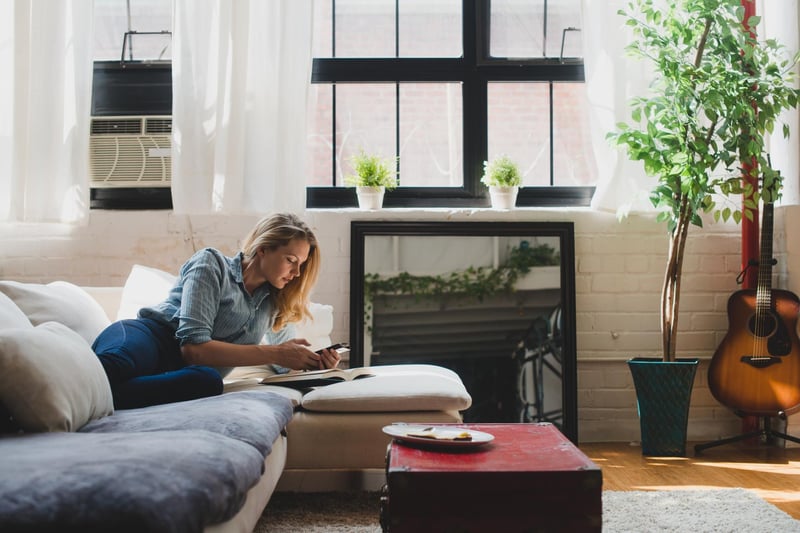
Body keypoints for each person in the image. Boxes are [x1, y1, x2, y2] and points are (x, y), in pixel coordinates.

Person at [92, 212, 341, 409]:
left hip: (181, 373)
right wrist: (276, 353)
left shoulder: (275, 301)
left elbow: (282, 364)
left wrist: (314, 363)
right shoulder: (211, 264)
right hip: (150, 338)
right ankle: (93, 390)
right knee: (113, 368)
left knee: (208, 382)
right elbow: (193, 349)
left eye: (301, 265)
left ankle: (103, 398)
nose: (296, 273)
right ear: (264, 248)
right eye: (291, 260)